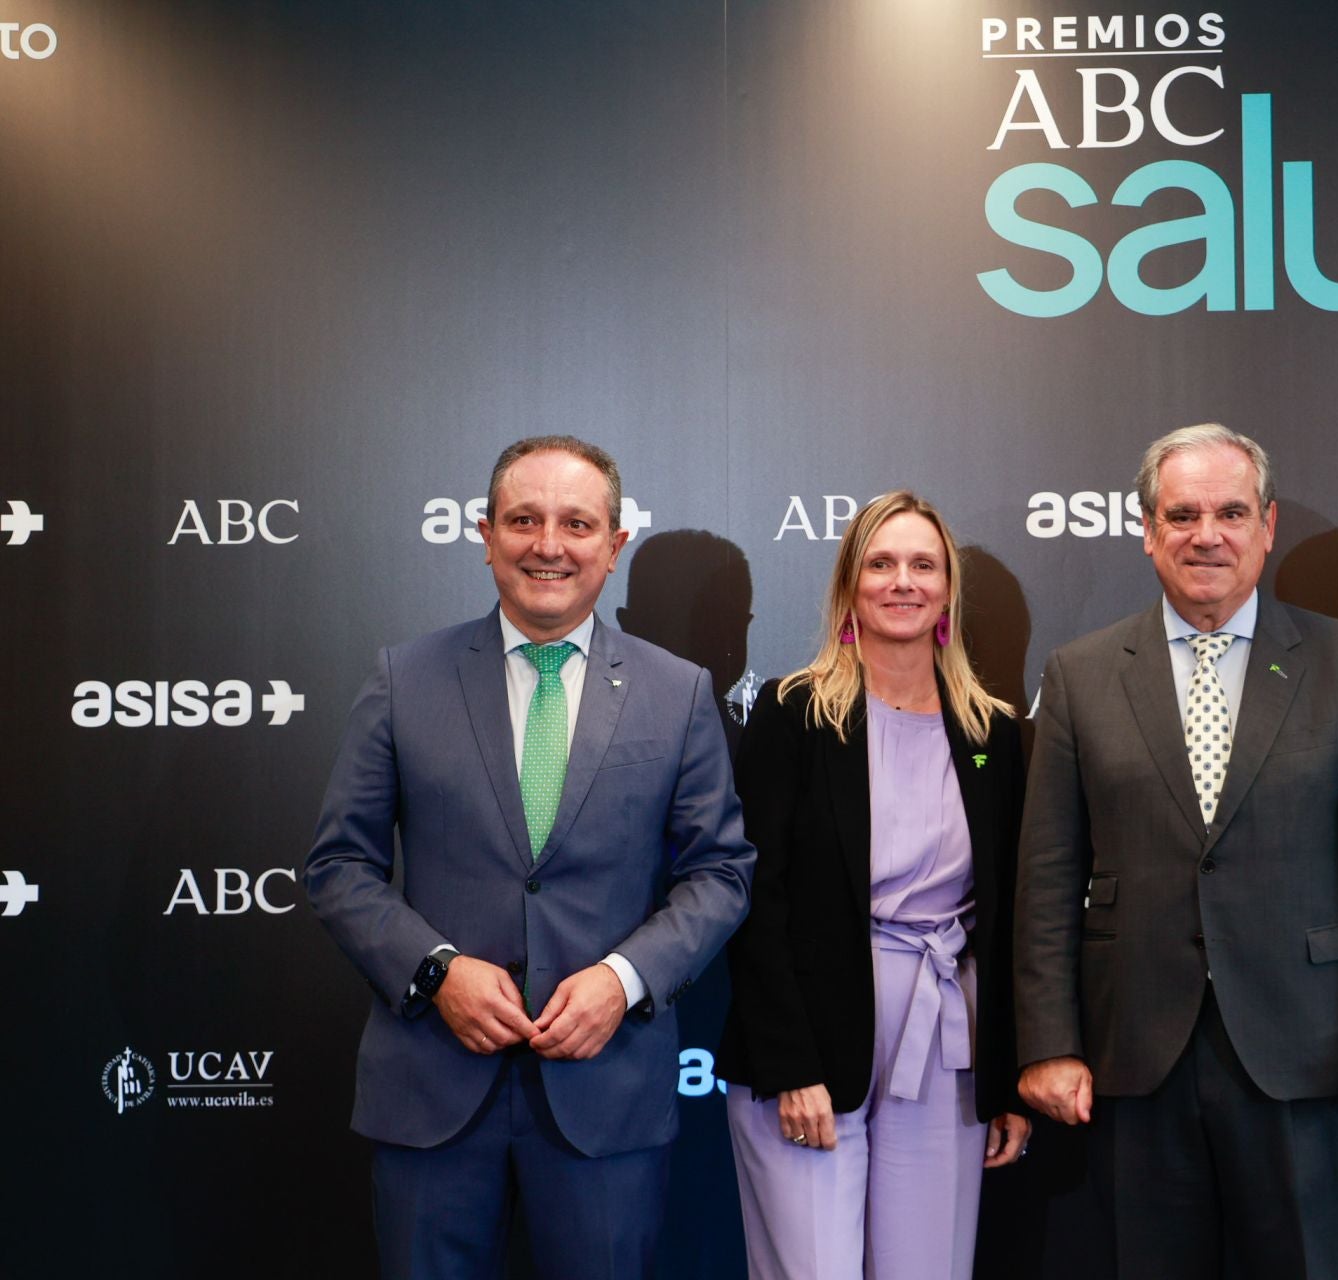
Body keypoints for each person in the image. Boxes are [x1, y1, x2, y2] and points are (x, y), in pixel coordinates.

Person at [305, 435, 755, 1279]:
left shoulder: (678, 692)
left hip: (606, 1096)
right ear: (485, 534)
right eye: (524, 519)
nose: (548, 544)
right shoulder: (405, 680)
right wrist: (438, 972)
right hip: (432, 1092)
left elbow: (720, 874)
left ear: (613, 546)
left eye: (576, 523)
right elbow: (339, 866)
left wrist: (622, 980)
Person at [1014, 423, 1338, 1279]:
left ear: (1268, 525)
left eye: (1231, 512)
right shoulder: (1081, 673)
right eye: (1183, 514)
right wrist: (1048, 1043)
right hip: (1133, 1057)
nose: (1206, 534)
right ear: (1147, 530)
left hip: (1306, 1052)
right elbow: (1048, 875)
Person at [716, 491, 1032, 1280]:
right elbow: (757, 907)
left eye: (922, 565)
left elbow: (1010, 922)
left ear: (948, 589)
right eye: (880, 563)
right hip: (811, 1048)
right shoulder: (792, 716)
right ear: (849, 587)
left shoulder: (992, 733)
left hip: (945, 1049)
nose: (902, 582)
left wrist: (1007, 1079)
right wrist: (790, 1068)